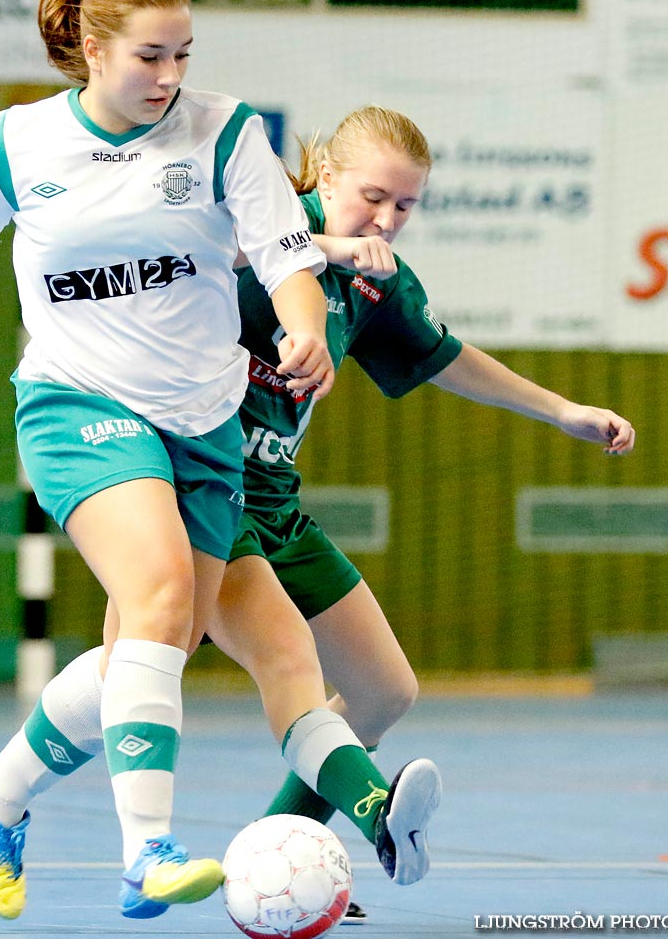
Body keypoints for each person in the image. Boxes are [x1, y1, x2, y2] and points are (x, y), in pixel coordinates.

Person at [0, 0, 444, 925]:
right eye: (151, 55)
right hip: (77, 404)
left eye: (183, 54)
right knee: (157, 596)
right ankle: (147, 853)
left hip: (200, 427)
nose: (169, 73)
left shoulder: (226, 132)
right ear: (94, 49)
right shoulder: (20, 142)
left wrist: (305, 327)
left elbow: (285, 255)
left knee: (148, 649)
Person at [229, 104, 636, 919]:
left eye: (405, 206)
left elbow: (440, 356)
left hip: (275, 504)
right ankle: (4, 789)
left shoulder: (376, 279)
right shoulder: (263, 226)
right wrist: (328, 246)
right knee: (242, 678)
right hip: (199, 496)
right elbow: (217, 256)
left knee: (381, 692)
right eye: (371, 197)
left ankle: (278, 851)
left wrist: (560, 410)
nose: (385, 220)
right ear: (327, 177)